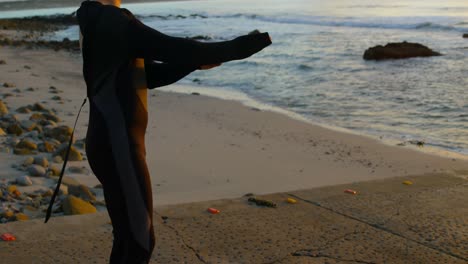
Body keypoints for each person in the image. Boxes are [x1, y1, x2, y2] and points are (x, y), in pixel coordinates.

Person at [75, 0, 272, 263]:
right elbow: (174, 48)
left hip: (110, 142)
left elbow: (145, 76)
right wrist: (241, 47)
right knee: (140, 243)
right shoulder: (112, 20)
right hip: (118, 146)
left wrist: (193, 63)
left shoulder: (98, 19)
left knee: (128, 238)